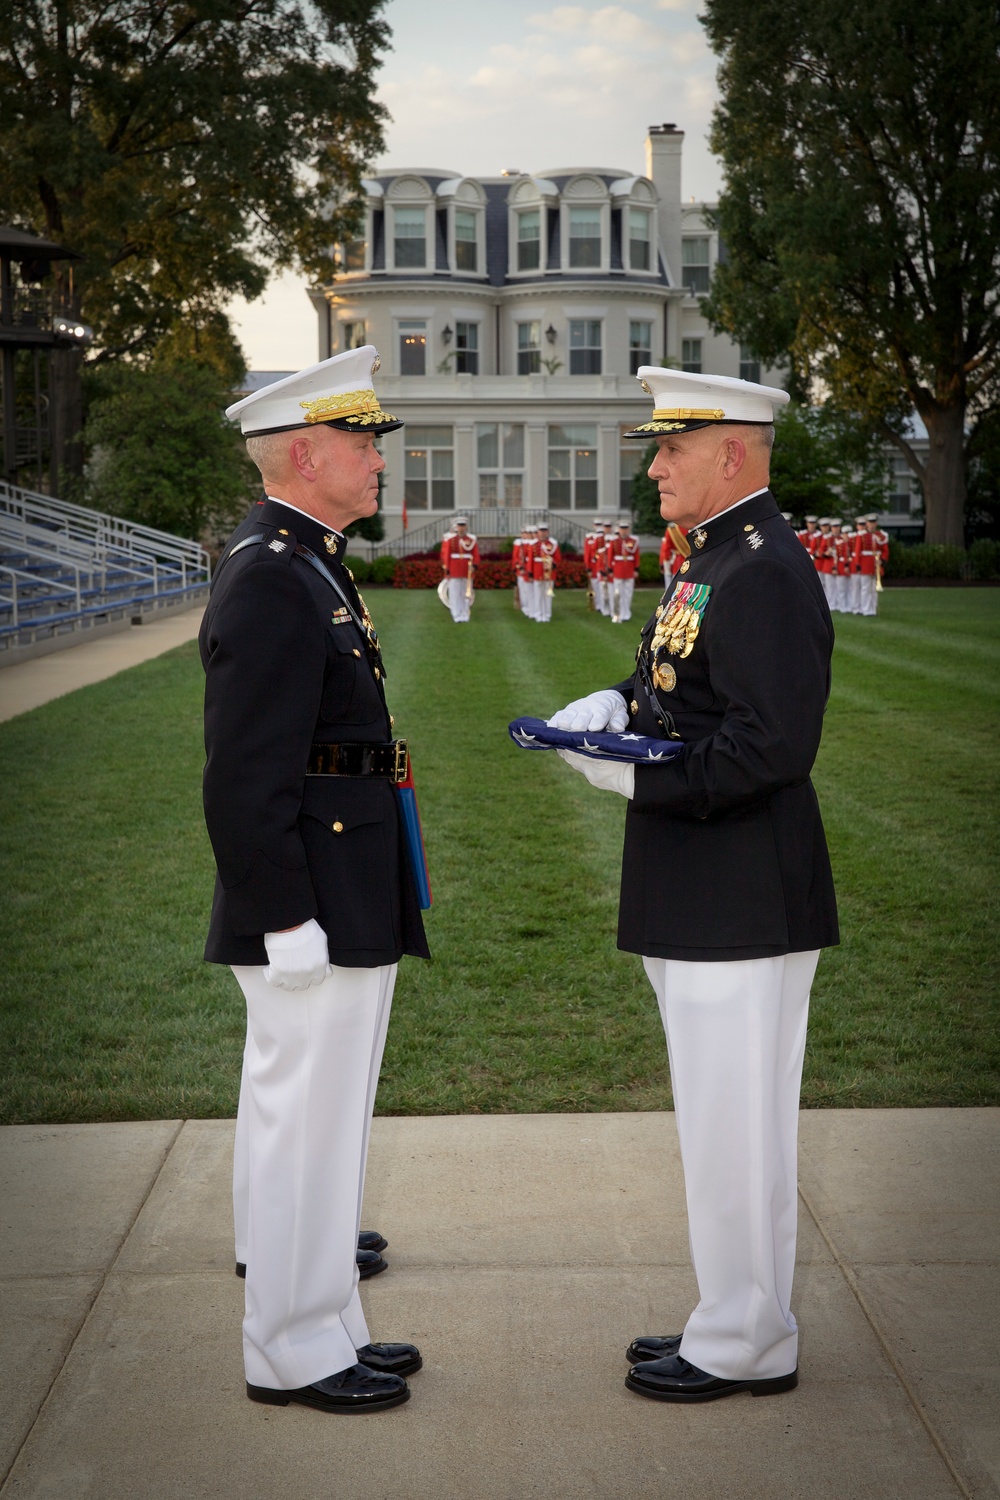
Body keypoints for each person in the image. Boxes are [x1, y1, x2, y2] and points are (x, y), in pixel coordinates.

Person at [548, 364, 838, 1404]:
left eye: (672, 448)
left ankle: (742, 1337)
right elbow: (676, 684)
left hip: (738, 886)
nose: (656, 464)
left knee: (734, 1121)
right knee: (723, 1118)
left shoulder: (760, 567)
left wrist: (631, 778)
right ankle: (738, 1319)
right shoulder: (714, 557)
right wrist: (614, 708)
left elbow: (769, 748)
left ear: (734, 453)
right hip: (707, 880)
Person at [200, 346, 430, 1415]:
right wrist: (282, 914)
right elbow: (244, 776)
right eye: (364, 442)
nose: (382, 459)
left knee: (327, 1126)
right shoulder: (271, 572)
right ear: (304, 451)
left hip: (346, 880)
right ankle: (287, 1347)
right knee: (305, 1125)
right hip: (311, 900)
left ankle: (329, 1319)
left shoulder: (308, 556)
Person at [441, 515, 479, 622]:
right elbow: (447, 555)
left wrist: (474, 566)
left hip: (467, 569)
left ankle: (465, 614)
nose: (461, 528)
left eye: (463, 526)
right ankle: (456, 614)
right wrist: (447, 569)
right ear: (456, 527)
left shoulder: (471, 540)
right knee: (455, 593)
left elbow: (475, 554)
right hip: (454, 569)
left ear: (466, 527)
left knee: (466, 593)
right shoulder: (451, 540)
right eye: (459, 526)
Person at [853, 513, 889, 615]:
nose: (872, 525)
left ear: (876, 523)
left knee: (874, 588)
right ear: (867, 523)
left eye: (873, 522)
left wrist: (882, 560)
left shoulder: (881, 535)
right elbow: (857, 551)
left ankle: (873, 609)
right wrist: (858, 564)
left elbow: (885, 551)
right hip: (865, 563)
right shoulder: (862, 536)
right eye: (870, 522)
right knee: (865, 587)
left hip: (876, 563)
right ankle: (865, 609)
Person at [609, 517, 641, 623]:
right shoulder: (614, 541)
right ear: (619, 529)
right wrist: (610, 569)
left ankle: (626, 613)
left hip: (629, 569)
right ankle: (617, 613)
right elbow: (610, 556)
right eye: (622, 528)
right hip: (618, 569)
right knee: (617, 593)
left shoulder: (633, 541)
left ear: (629, 529)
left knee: (628, 593)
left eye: (626, 528)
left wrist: (636, 569)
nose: (624, 531)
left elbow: (636, 555)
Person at [532, 522, 561, 622]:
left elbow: (557, 558)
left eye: (545, 531)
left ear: (548, 531)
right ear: (538, 532)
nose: (543, 533)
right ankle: (538, 614)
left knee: (548, 594)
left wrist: (554, 564)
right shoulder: (534, 544)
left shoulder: (552, 544)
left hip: (549, 571)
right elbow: (531, 559)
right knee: (537, 594)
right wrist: (530, 572)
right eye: (541, 531)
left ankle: (547, 614)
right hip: (537, 571)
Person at [658, 523, 690, 590]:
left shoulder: (672, 530)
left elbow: (666, 550)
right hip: (695, 561)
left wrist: (666, 563)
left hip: (678, 563)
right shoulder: (695, 525)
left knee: (676, 588)